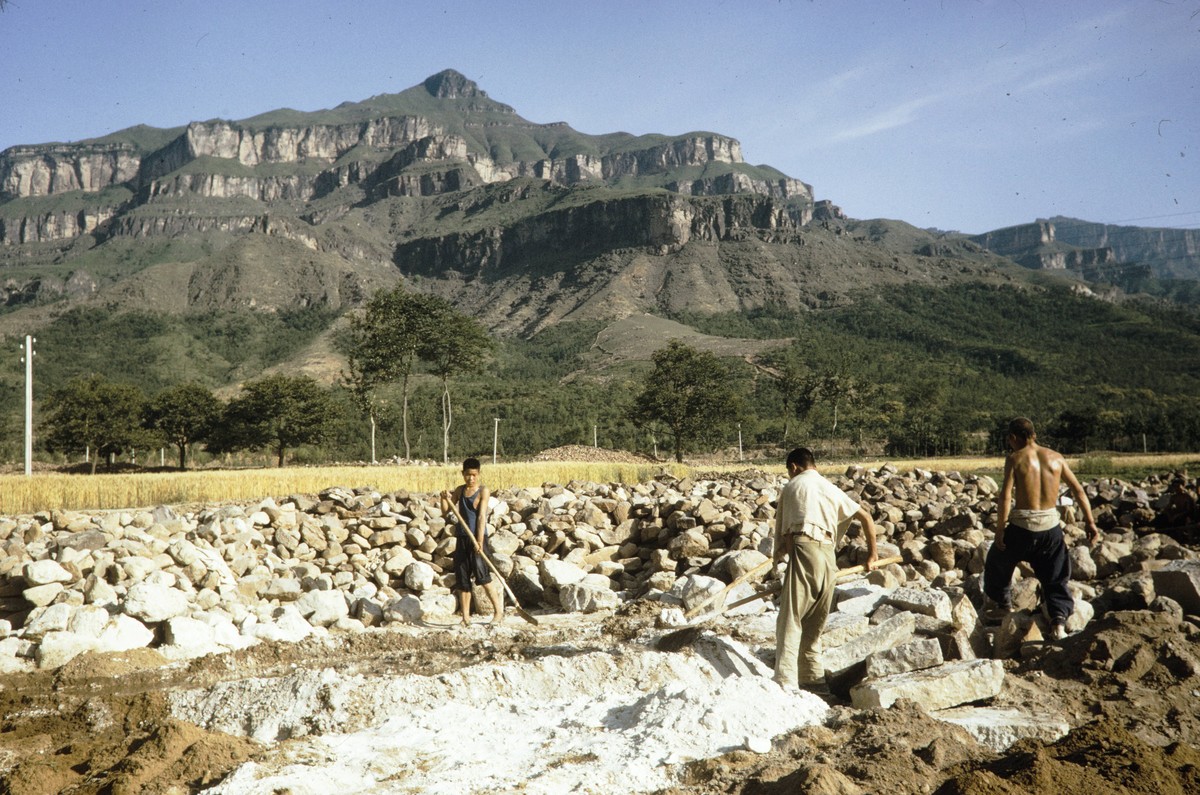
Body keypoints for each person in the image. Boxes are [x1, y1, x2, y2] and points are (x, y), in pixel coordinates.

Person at [983, 417, 1100, 640]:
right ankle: (1058, 624)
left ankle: (1004, 606)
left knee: (998, 560)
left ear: (1013, 438)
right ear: (1034, 434)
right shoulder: (1056, 458)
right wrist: (1090, 522)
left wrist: (1000, 529)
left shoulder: (1015, 458)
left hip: (1022, 528)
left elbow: (1005, 495)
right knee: (1056, 575)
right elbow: (1078, 491)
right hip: (1050, 529)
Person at [773, 447, 878, 692]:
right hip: (827, 555)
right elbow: (866, 517)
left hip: (804, 548)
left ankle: (785, 680)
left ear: (794, 467)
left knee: (791, 617)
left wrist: (786, 562)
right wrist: (873, 555)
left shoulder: (793, 486)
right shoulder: (830, 488)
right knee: (814, 623)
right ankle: (814, 681)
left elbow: (787, 535)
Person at [441, 457, 505, 626]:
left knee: (483, 576)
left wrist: (479, 541)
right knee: (462, 579)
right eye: (468, 475)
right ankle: (466, 618)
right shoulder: (459, 490)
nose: (471, 478)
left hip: (478, 539)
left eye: (474, 475)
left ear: (478, 474)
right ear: (463, 474)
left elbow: (482, 516)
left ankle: (498, 612)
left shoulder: (483, 491)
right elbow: (446, 513)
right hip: (462, 537)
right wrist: (443, 498)